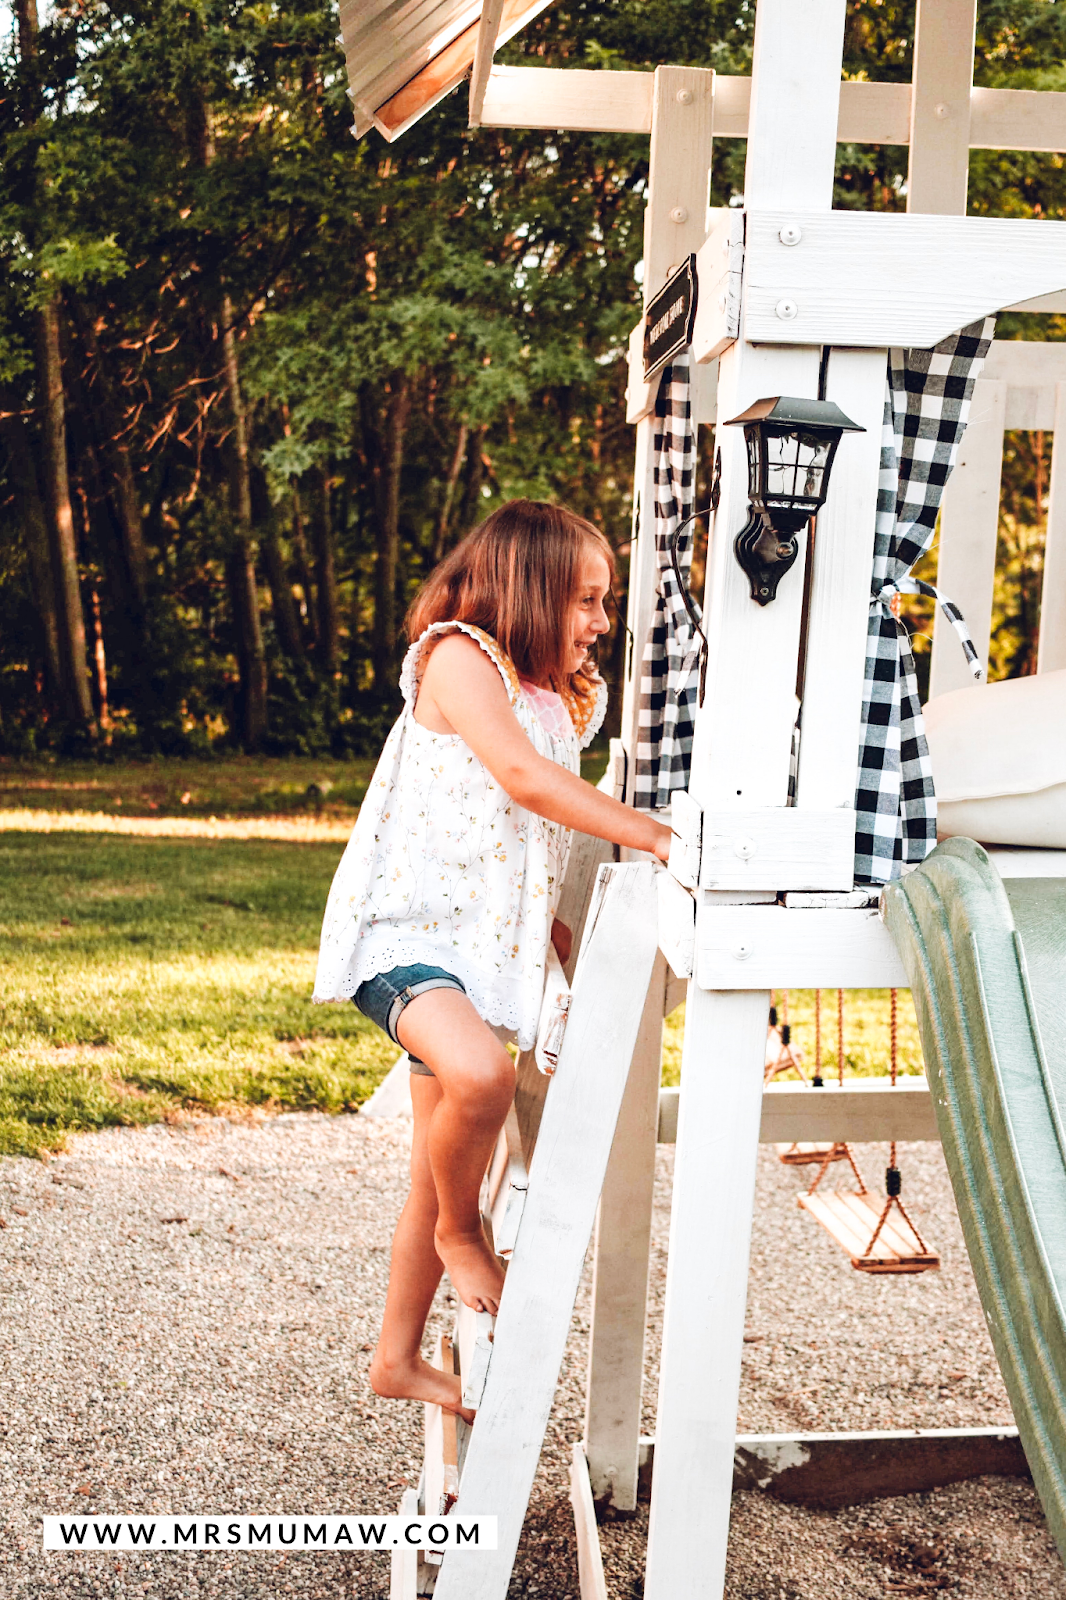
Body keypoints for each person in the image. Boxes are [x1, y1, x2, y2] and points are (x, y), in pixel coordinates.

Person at [313, 500, 673, 1420]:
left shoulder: (552, 698)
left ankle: (394, 1359)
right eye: (587, 600)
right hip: (408, 937)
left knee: (442, 1163)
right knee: (479, 1080)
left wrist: (552, 934)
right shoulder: (459, 656)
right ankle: (461, 1235)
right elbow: (523, 782)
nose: (600, 621)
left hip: (486, 953)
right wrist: (663, 840)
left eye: (605, 602)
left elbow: (523, 834)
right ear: (531, 586)